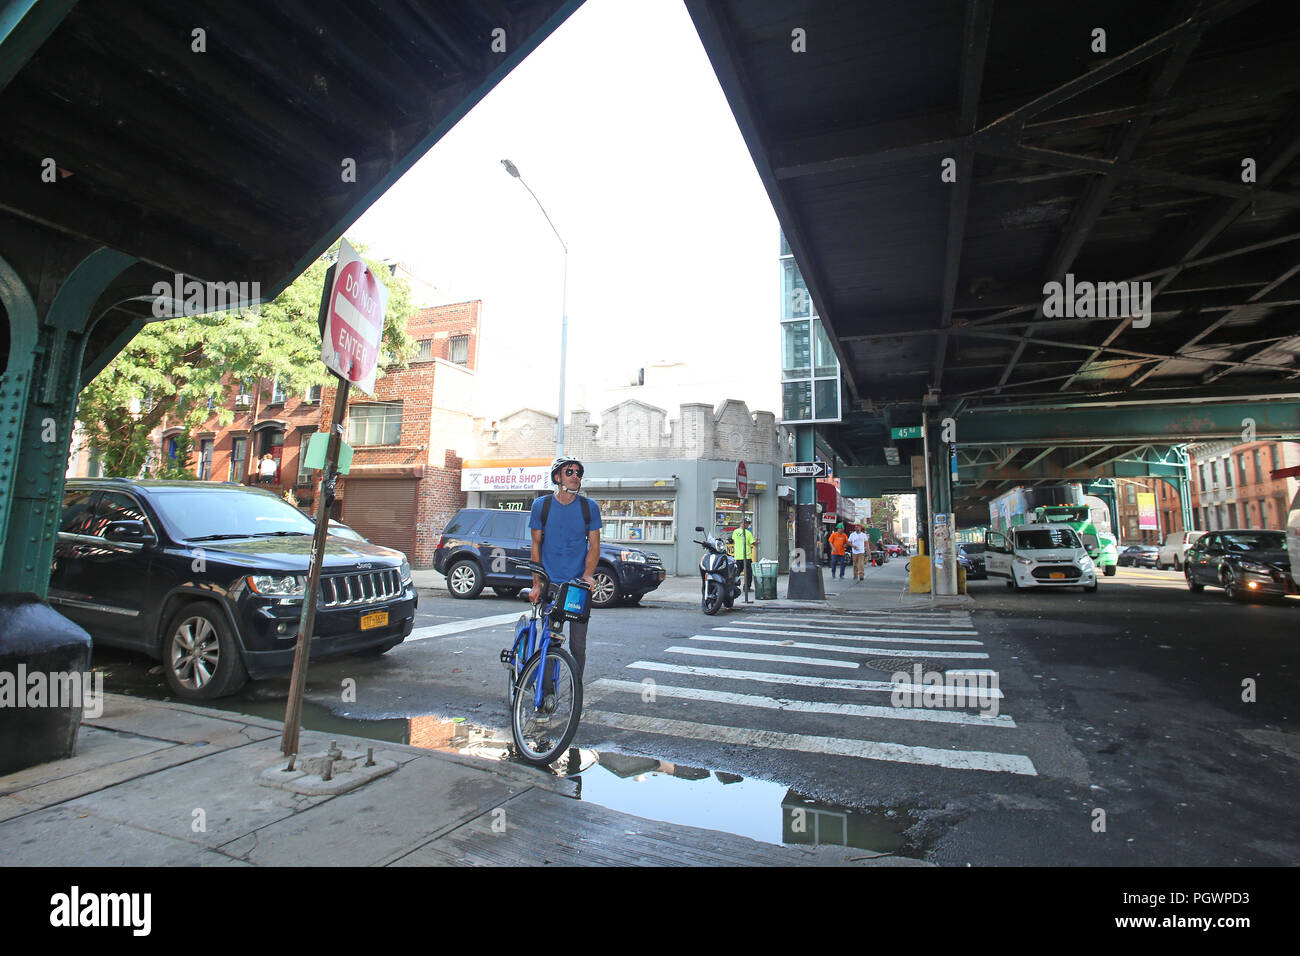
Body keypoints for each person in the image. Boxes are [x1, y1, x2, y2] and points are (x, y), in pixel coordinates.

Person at [528, 455, 601, 678]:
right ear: (557, 477)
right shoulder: (542, 506)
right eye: (569, 472)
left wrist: (588, 575)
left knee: (578, 646)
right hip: (551, 584)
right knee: (550, 641)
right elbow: (536, 545)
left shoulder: (590, 507)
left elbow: (595, 545)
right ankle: (546, 695)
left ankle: (575, 691)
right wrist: (537, 584)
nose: (575, 477)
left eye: (578, 473)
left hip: (577, 586)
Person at [731, 518, 757, 595]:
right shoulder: (748, 533)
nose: (748, 525)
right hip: (746, 557)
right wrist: (756, 540)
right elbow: (753, 543)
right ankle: (747, 587)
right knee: (748, 573)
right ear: (744, 524)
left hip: (738, 556)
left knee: (737, 572)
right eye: (747, 524)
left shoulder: (735, 532)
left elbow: (734, 539)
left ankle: (732, 586)